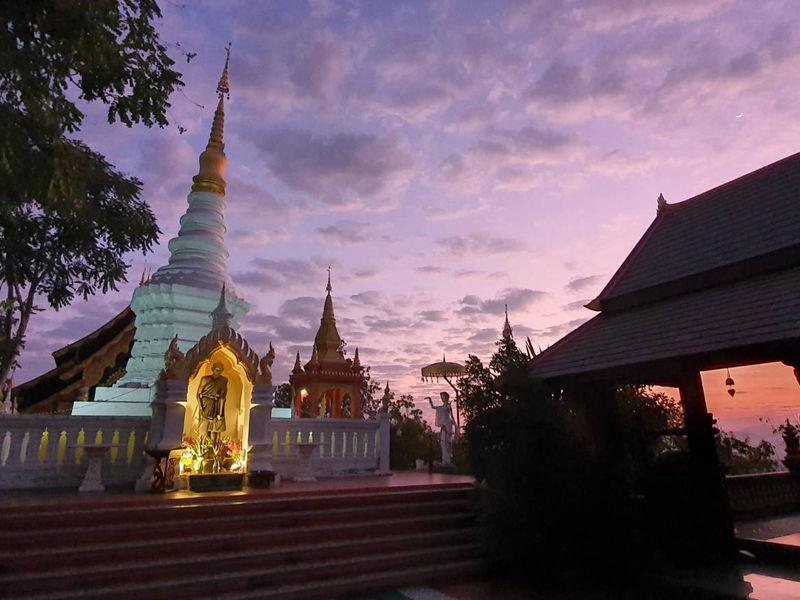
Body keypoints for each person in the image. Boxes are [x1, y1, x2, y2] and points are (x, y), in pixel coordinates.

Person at [196, 362, 228, 441]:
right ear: (212, 369)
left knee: (215, 429)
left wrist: (220, 410)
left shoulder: (224, 380)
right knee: (204, 428)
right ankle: (202, 445)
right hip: (206, 404)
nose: (218, 371)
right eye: (216, 369)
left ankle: (214, 445)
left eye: (220, 370)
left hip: (217, 405)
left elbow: (223, 395)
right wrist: (201, 407)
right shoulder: (205, 379)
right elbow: (198, 394)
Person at [428, 391, 455, 465]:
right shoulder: (441, 407)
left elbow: (452, 416)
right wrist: (430, 400)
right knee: (443, 443)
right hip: (443, 426)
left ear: (446, 397)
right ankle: (445, 460)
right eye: (441, 397)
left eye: (443, 397)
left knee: (447, 442)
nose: (442, 398)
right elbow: (433, 407)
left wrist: (455, 425)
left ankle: (447, 460)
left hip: (448, 425)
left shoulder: (448, 406)